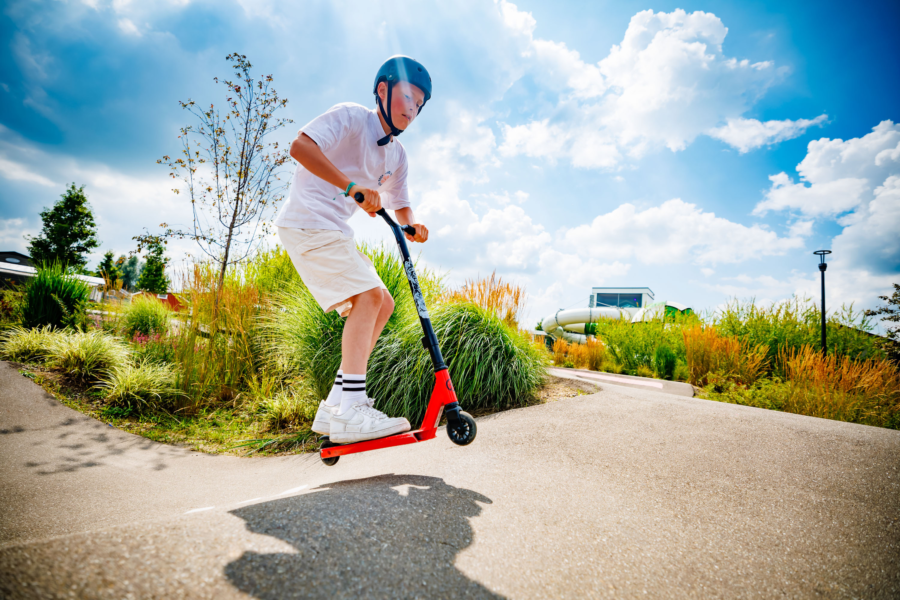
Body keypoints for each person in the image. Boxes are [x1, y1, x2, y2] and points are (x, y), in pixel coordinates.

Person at [274, 56, 432, 444]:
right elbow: (300, 146)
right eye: (408, 97)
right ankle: (352, 409)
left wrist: (413, 224)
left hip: (333, 230)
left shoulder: (397, 155)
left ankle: (335, 406)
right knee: (368, 295)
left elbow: (400, 201)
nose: (412, 110)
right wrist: (352, 188)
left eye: (419, 105)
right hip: (307, 221)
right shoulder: (350, 117)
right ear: (383, 90)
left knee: (384, 302)